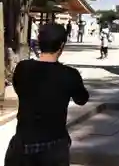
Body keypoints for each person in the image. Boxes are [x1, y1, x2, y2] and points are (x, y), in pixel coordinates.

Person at [4, 23, 89, 166]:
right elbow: (82, 99)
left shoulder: (23, 68)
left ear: (39, 43)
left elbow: (19, 89)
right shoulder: (69, 74)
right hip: (53, 146)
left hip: (22, 144)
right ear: (61, 45)